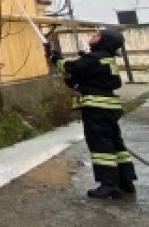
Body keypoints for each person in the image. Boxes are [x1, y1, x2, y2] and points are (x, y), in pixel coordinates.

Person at [53, 27, 136, 199]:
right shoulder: (106, 59)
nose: (92, 36)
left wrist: (55, 58)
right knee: (116, 144)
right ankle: (126, 180)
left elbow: (71, 67)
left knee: (101, 147)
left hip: (97, 109)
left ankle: (108, 185)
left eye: (97, 35)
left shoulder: (94, 58)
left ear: (104, 41)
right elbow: (92, 77)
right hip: (109, 108)